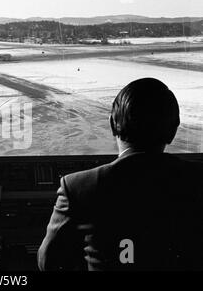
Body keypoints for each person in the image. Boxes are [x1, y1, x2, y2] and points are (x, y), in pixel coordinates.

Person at [38, 78, 203, 271]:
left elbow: (48, 262)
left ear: (112, 124)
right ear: (173, 130)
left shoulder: (78, 187)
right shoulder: (197, 179)